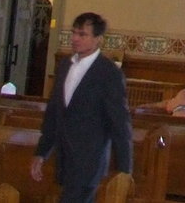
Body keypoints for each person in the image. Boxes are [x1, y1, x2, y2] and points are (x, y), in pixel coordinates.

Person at [32, 12, 133, 203]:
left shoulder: (108, 73)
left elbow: (120, 122)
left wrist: (124, 169)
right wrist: (41, 152)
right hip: (64, 155)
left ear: (98, 39)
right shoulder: (65, 66)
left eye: (82, 34)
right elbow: (54, 112)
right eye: (74, 33)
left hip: (89, 158)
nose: (75, 39)